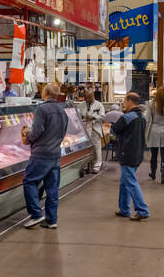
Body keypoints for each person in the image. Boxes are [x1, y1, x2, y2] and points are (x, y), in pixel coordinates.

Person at [20, 83, 68, 228]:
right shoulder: (62, 110)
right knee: (52, 188)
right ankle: (51, 220)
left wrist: (26, 137)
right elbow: (63, 132)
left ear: (45, 93)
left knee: (29, 181)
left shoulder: (42, 109)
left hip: (41, 154)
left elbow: (37, 131)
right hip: (55, 154)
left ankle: (36, 214)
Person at [112, 92, 150, 221]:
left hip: (127, 153)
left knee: (131, 182)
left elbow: (115, 129)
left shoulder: (127, 117)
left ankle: (142, 210)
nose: (123, 103)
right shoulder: (142, 117)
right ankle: (124, 209)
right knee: (125, 182)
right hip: (138, 153)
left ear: (129, 102)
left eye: (124, 101)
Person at [144, 86, 164, 184]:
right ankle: (163, 176)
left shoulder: (151, 105)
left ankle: (153, 173)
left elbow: (147, 118)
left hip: (153, 131)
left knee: (154, 154)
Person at [73, 87, 105, 175]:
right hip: (84, 129)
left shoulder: (99, 105)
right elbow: (77, 115)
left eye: (89, 98)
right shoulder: (81, 105)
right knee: (85, 147)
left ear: (93, 96)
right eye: (86, 98)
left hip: (95, 128)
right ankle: (86, 164)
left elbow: (103, 116)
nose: (87, 100)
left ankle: (97, 164)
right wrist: (82, 117)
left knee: (96, 147)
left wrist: (94, 117)